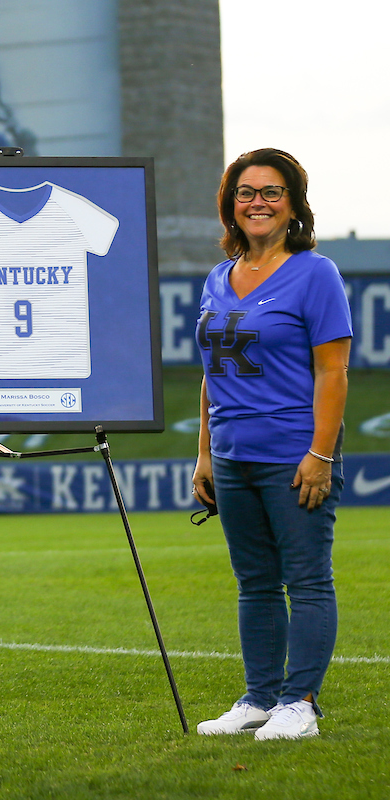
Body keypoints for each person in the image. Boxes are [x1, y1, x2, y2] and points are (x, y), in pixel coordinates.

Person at [192, 148, 351, 740]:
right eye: (246, 192)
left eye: (271, 192)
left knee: (307, 579)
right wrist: (205, 454)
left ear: (293, 205)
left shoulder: (316, 273)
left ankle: (299, 704)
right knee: (254, 582)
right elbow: (211, 372)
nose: (257, 202)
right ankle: (259, 699)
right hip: (232, 456)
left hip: (293, 454)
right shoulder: (218, 276)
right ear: (231, 205)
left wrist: (321, 455)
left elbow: (332, 372)